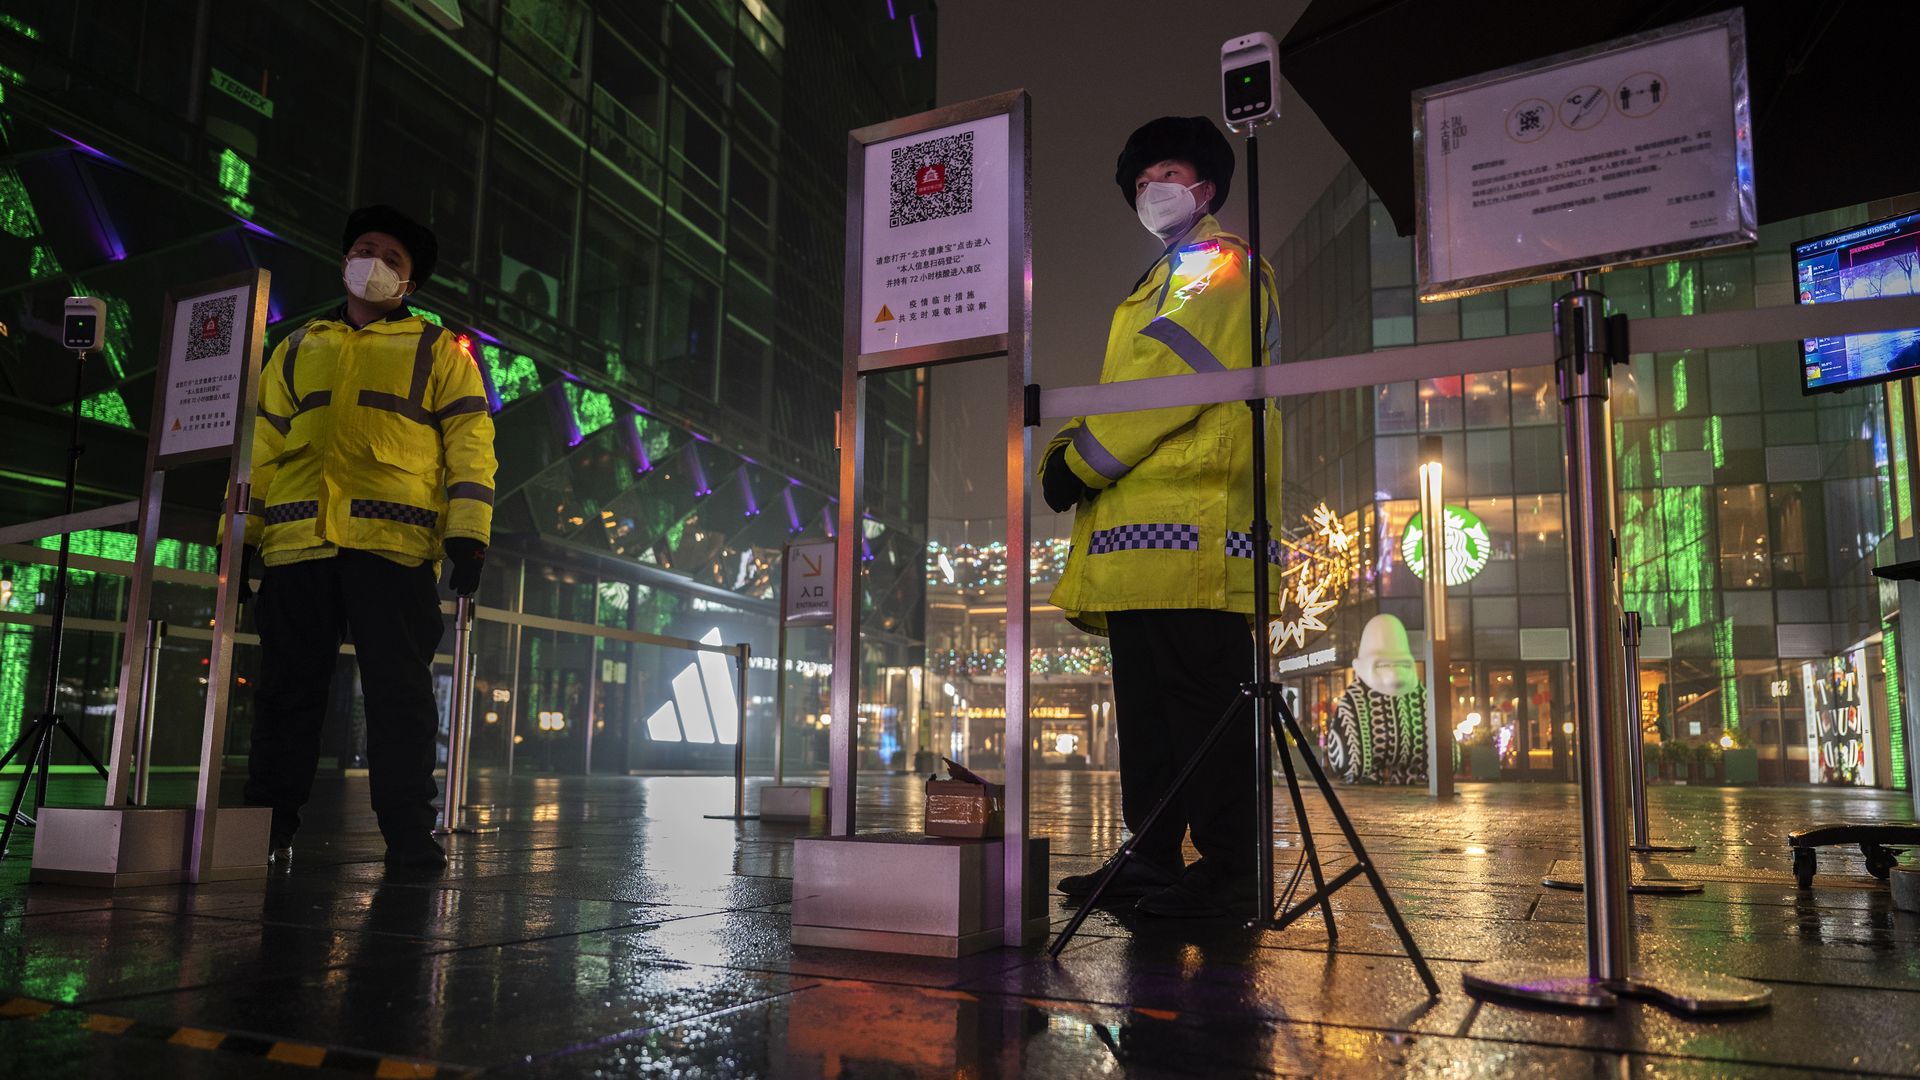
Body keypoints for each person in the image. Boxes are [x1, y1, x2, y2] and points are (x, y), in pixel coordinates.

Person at [1043, 117, 1281, 918]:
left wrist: (1078, 458)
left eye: (1167, 174)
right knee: (1151, 719)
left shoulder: (1216, 264)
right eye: (1141, 181)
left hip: (1196, 540)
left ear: (1207, 186)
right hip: (1149, 549)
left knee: (1203, 717)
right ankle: (1149, 856)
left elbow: (1170, 375)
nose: (1153, 190)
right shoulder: (1160, 278)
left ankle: (1227, 874)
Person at [240, 205, 497, 868]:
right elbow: (260, 448)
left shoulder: (437, 350)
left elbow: (471, 443)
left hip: (392, 547)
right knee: (285, 694)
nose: (373, 263)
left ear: (409, 284)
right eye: (364, 248)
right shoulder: (296, 347)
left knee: (399, 697)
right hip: (298, 548)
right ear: (344, 259)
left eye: (392, 258)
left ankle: (408, 831)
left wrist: (469, 534)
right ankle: (266, 825)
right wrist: (241, 532)